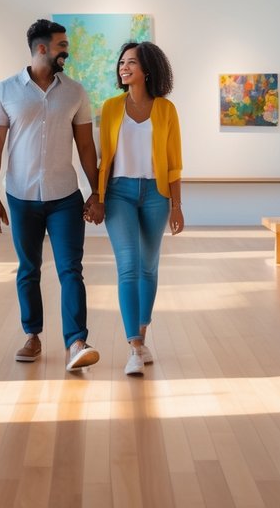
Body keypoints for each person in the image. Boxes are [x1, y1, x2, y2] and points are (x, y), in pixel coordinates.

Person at [0, 19, 104, 372]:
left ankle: (77, 342)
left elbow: (86, 146)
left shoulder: (75, 92)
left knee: (71, 270)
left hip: (64, 195)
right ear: (41, 48)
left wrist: (96, 192)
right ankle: (33, 335)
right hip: (20, 195)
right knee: (29, 269)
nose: (66, 51)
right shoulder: (6, 90)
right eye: (61, 45)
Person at [97, 41, 183, 377]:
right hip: (119, 193)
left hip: (156, 195)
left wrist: (177, 206)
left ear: (147, 69)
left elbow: (174, 164)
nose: (123, 67)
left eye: (131, 62)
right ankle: (134, 346)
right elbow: (104, 160)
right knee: (129, 266)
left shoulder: (166, 110)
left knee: (149, 267)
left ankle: (143, 334)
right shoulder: (109, 107)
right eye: (121, 62)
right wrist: (99, 197)